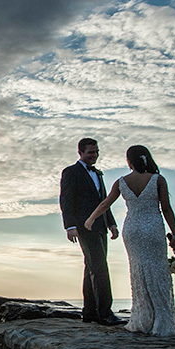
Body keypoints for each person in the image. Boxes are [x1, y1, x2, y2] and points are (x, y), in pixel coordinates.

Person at [85, 145, 175, 336]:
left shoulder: (122, 182)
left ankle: (142, 319)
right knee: (157, 270)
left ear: (129, 161)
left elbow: (105, 203)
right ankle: (161, 322)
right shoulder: (158, 179)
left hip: (133, 229)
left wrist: (91, 218)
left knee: (138, 271)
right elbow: (167, 208)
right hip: (153, 227)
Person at [60, 138, 123, 325]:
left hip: (101, 225)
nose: (94, 155)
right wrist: (70, 226)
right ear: (80, 153)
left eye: (96, 152)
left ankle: (89, 312)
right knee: (100, 267)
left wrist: (111, 223)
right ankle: (105, 313)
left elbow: (104, 201)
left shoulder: (98, 174)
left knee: (91, 268)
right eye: (90, 152)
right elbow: (66, 199)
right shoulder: (71, 172)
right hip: (83, 226)